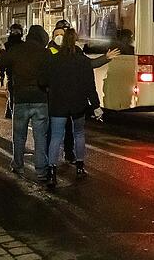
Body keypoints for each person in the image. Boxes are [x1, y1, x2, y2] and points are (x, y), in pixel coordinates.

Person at [48, 19, 119, 164]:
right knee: (70, 134)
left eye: (62, 34)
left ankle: (53, 167)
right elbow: (89, 80)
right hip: (70, 102)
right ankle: (75, 164)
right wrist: (95, 105)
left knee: (60, 135)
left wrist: (105, 58)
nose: (59, 37)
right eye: (57, 34)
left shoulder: (64, 56)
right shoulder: (52, 52)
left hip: (60, 103)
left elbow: (88, 67)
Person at [45, 28, 102, 187]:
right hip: (78, 104)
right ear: (76, 42)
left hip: (58, 104)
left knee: (56, 137)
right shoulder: (83, 61)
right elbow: (90, 86)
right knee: (79, 134)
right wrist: (96, 106)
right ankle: (79, 167)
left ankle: (51, 173)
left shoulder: (54, 60)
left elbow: (44, 81)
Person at [0, 25, 51, 181]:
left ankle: (18, 165)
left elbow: (0, 61)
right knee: (40, 137)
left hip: (20, 99)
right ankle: (41, 170)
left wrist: (2, 51)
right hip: (40, 100)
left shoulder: (17, 50)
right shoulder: (45, 53)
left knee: (19, 136)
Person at [0, 24, 24, 120]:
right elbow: (2, 61)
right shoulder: (7, 45)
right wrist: (2, 74)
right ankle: (13, 113)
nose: (16, 34)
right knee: (13, 94)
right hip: (12, 74)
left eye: (17, 32)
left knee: (15, 94)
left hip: (20, 74)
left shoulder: (22, 45)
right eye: (14, 32)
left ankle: (11, 112)